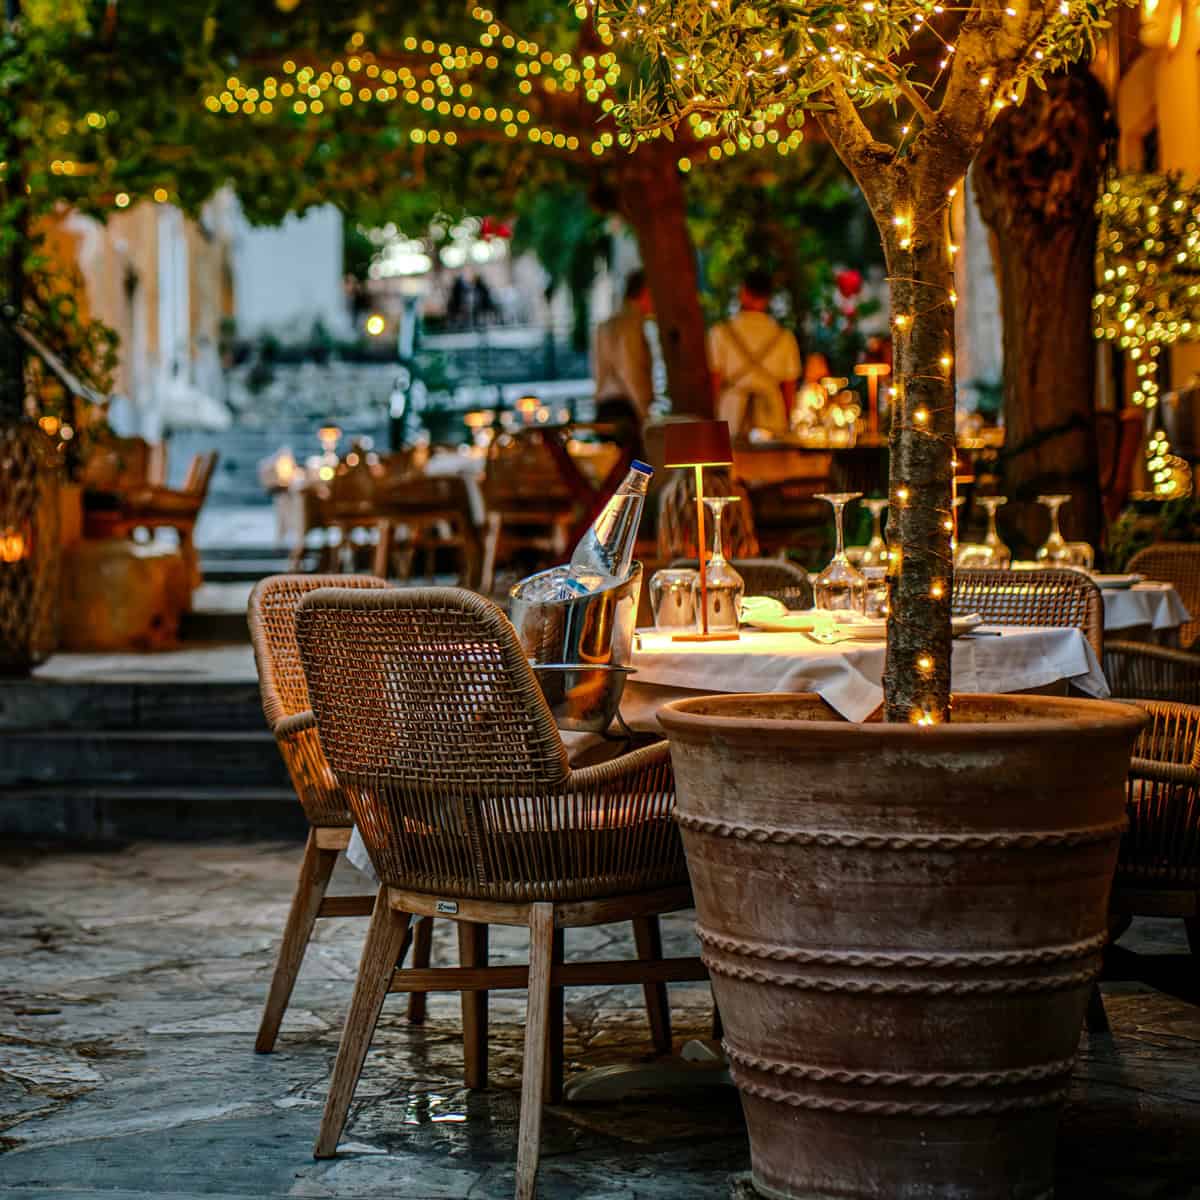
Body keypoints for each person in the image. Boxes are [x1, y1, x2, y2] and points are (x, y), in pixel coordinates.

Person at [707, 269, 801, 438]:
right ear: (768, 297)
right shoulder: (784, 336)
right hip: (771, 411)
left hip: (732, 412)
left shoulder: (720, 332)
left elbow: (715, 380)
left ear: (742, 292)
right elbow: (789, 386)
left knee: (734, 462)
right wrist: (788, 422)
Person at [592, 269, 655, 446]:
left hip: (605, 405)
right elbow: (630, 369)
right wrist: (643, 413)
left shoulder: (606, 325)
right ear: (644, 293)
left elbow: (598, 371)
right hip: (626, 408)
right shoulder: (632, 325)